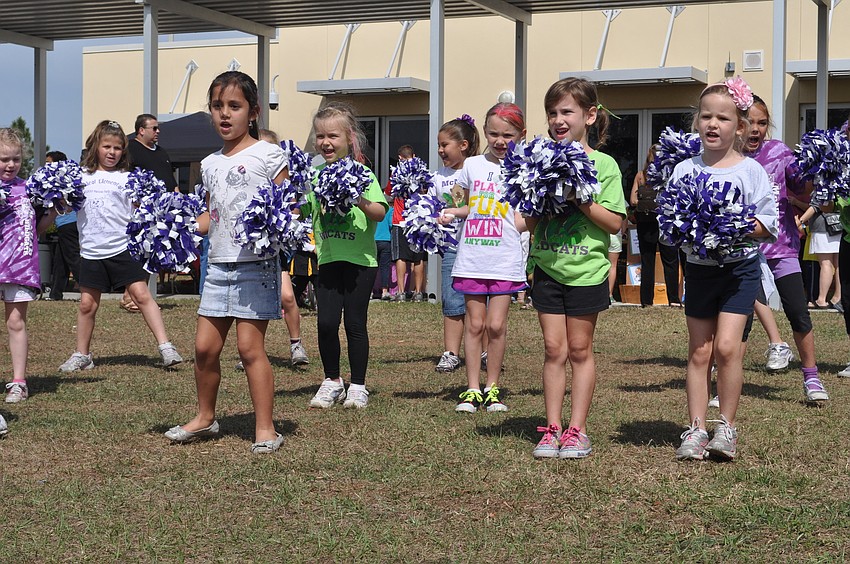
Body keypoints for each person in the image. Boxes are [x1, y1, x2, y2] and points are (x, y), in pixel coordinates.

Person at [165, 71, 287, 453]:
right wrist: (176, 228)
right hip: (218, 265)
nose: (224, 114)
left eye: (234, 106)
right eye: (217, 106)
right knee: (204, 348)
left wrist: (282, 223)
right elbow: (210, 216)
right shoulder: (208, 163)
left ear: (252, 112)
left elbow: (288, 209)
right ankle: (205, 418)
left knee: (250, 350)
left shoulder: (270, 154)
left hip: (257, 265)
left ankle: (265, 429)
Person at [672, 78, 778, 461]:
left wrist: (735, 223)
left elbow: (769, 226)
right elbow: (672, 225)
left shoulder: (751, 171)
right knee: (700, 353)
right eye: (706, 116)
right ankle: (696, 428)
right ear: (697, 122)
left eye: (723, 117)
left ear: (741, 126)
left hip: (740, 271)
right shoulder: (684, 169)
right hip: (699, 272)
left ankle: (726, 429)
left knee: (728, 349)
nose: (713, 124)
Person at [526, 79, 626, 459]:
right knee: (554, 349)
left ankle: (577, 430)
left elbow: (614, 222)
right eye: (552, 113)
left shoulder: (605, 165)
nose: (558, 119)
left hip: (586, 270)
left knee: (580, 349)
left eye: (566, 111)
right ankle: (551, 429)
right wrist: (539, 198)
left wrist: (578, 197)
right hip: (548, 267)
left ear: (590, 115)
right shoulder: (539, 160)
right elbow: (529, 222)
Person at [57, 120, 184, 372]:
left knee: (141, 294)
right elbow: (65, 206)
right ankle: (82, 354)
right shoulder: (81, 177)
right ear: (95, 146)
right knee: (87, 304)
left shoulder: (128, 178)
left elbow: (141, 210)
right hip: (92, 250)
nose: (112, 152)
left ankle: (166, 346)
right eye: (107, 146)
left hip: (122, 248)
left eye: (117, 148)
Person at [440, 103, 529, 413]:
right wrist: (451, 211)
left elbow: (527, 213)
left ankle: (492, 388)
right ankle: (472, 389)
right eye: (493, 133)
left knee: (496, 325)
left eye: (508, 135)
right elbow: (465, 203)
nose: (500, 140)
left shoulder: (525, 168)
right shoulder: (472, 166)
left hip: (504, 259)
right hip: (473, 257)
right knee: (474, 325)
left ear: (522, 135)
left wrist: (519, 224)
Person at [739, 95, 828, 403]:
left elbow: (801, 188)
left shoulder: (780, 152)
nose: (755, 129)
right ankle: (728, 380)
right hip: (743, 250)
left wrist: (812, 169)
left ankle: (812, 378)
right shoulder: (728, 157)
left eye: (762, 123)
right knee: (740, 321)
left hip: (782, 248)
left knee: (798, 312)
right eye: (749, 121)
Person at [301, 102, 388, 410]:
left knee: (354, 324)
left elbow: (379, 211)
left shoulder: (363, 174)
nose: (326, 142)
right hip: (327, 259)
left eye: (333, 136)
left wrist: (358, 198)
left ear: (349, 138)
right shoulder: (312, 175)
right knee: (325, 323)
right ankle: (332, 381)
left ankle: (358, 386)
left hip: (360, 262)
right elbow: (301, 209)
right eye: (320, 136)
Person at [0, 128, 57, 403]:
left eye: (16, 159)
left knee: (16, 321)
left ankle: (19, 381)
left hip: (19, 266)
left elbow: (38, 228)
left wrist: (56, 209)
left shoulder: (29, 190)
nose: (10, 165)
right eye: (3, 159)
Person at [430, 115, 480, 372]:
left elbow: (466, 205)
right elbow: (429, 205)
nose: (440, 150)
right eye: (439, 145)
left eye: (444, 145)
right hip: (451, 244)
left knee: (477, 300)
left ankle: (481, 350)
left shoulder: (476, 169)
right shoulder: (437, 176)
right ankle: (450, 352)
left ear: (463, 145)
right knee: (452, 299)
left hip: (477, 243)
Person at [629, 145, 682, 307]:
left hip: (646, 221)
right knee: (671, 261)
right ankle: (673, 299)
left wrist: (645, 202)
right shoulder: (670, 174)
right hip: (665, 222)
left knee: (647, 260)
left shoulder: (641, 176)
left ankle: (646, 301)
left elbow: (632, 201)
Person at [387, 145, 427, 301]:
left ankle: (401, 292)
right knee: (418, 258)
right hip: (418, 220)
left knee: (401, 257)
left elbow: (388, 194)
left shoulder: (396, 173)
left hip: (400, 221)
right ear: (414, 155)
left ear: (399, 158)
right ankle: (418, 292)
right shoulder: (421, 172)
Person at [44, 151, 81, 301]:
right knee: (61, 261)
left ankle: (87, 289)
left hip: (69, 223)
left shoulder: (60, 180)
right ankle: (55, 293)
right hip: (63, 224)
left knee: (73, 258)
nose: (46, 166)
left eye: (49, 163)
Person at [374, 200, 393, 300]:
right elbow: (391, 224)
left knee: (372, 267)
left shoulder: (372, 210)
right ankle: (384, 291)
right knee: (385, 267)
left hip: (373, 240)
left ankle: (370, 291)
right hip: (386, 240)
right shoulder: (390, 210)